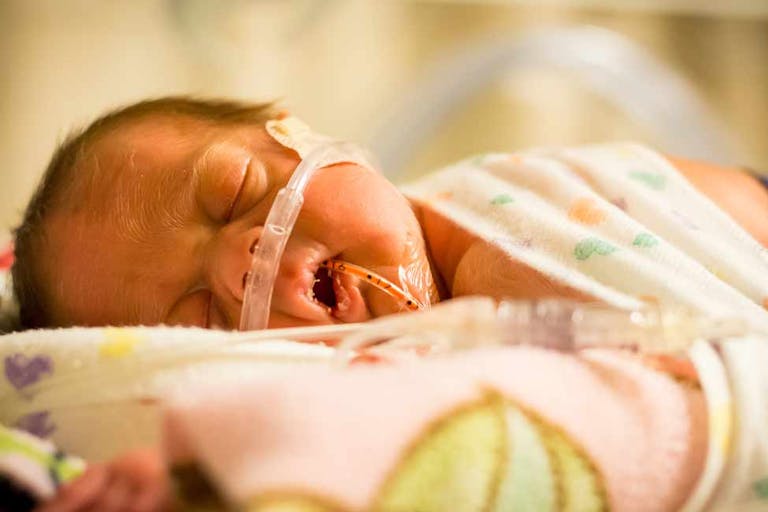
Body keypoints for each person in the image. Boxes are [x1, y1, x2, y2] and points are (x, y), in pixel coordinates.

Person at [7, 96, 768, 511]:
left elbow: (745, 206)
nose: (244, 264)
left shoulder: (527, 183)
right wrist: (198, 468)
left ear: (297, 134)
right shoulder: (368, 377)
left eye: (233, 194)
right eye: (200, 317)